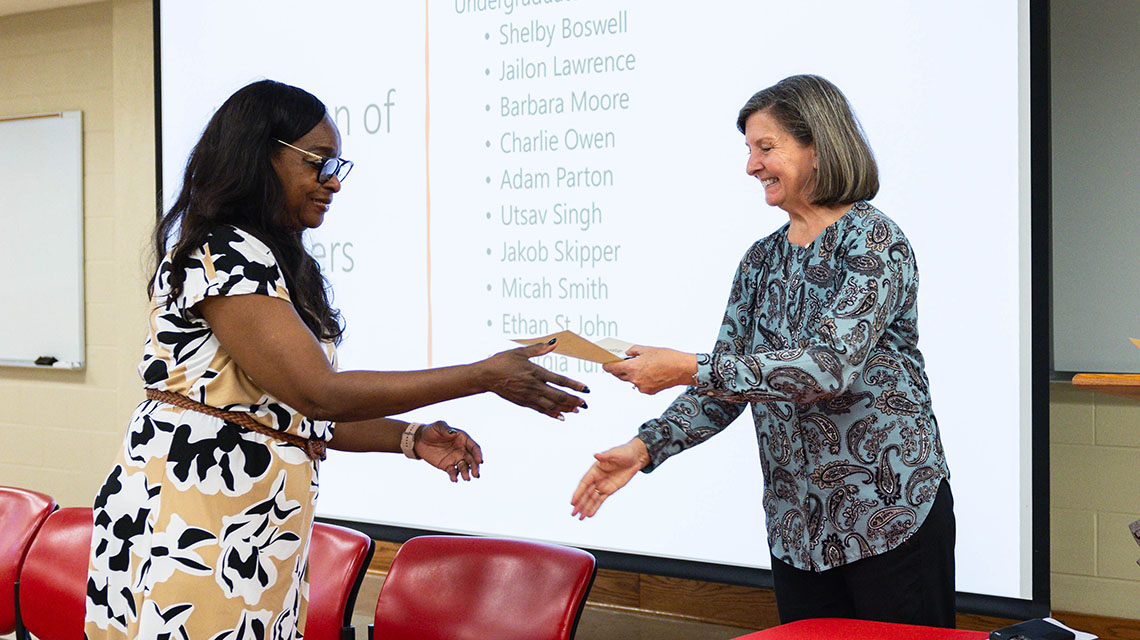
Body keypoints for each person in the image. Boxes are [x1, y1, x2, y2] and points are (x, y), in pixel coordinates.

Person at [85, 79, 588, 640]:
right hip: (191, 527)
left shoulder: (273, 260)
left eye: (337, 165)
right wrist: (483, 375)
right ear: (260, 155)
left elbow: (290, 413)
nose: (333, 182)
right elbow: (316, 392)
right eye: (319, 162)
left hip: (249, 529)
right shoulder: (222, 251)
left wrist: (410, 437)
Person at [569, 74, 954, 627]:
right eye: (749, 150)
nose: (751, 166)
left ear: (818, 147)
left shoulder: (874, 242)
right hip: (798, 525)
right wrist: (644, 447)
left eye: (766, 148)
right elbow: (726, 387)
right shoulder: (760, 261)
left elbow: (828, 369)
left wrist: (685, 366)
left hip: (888, 516)